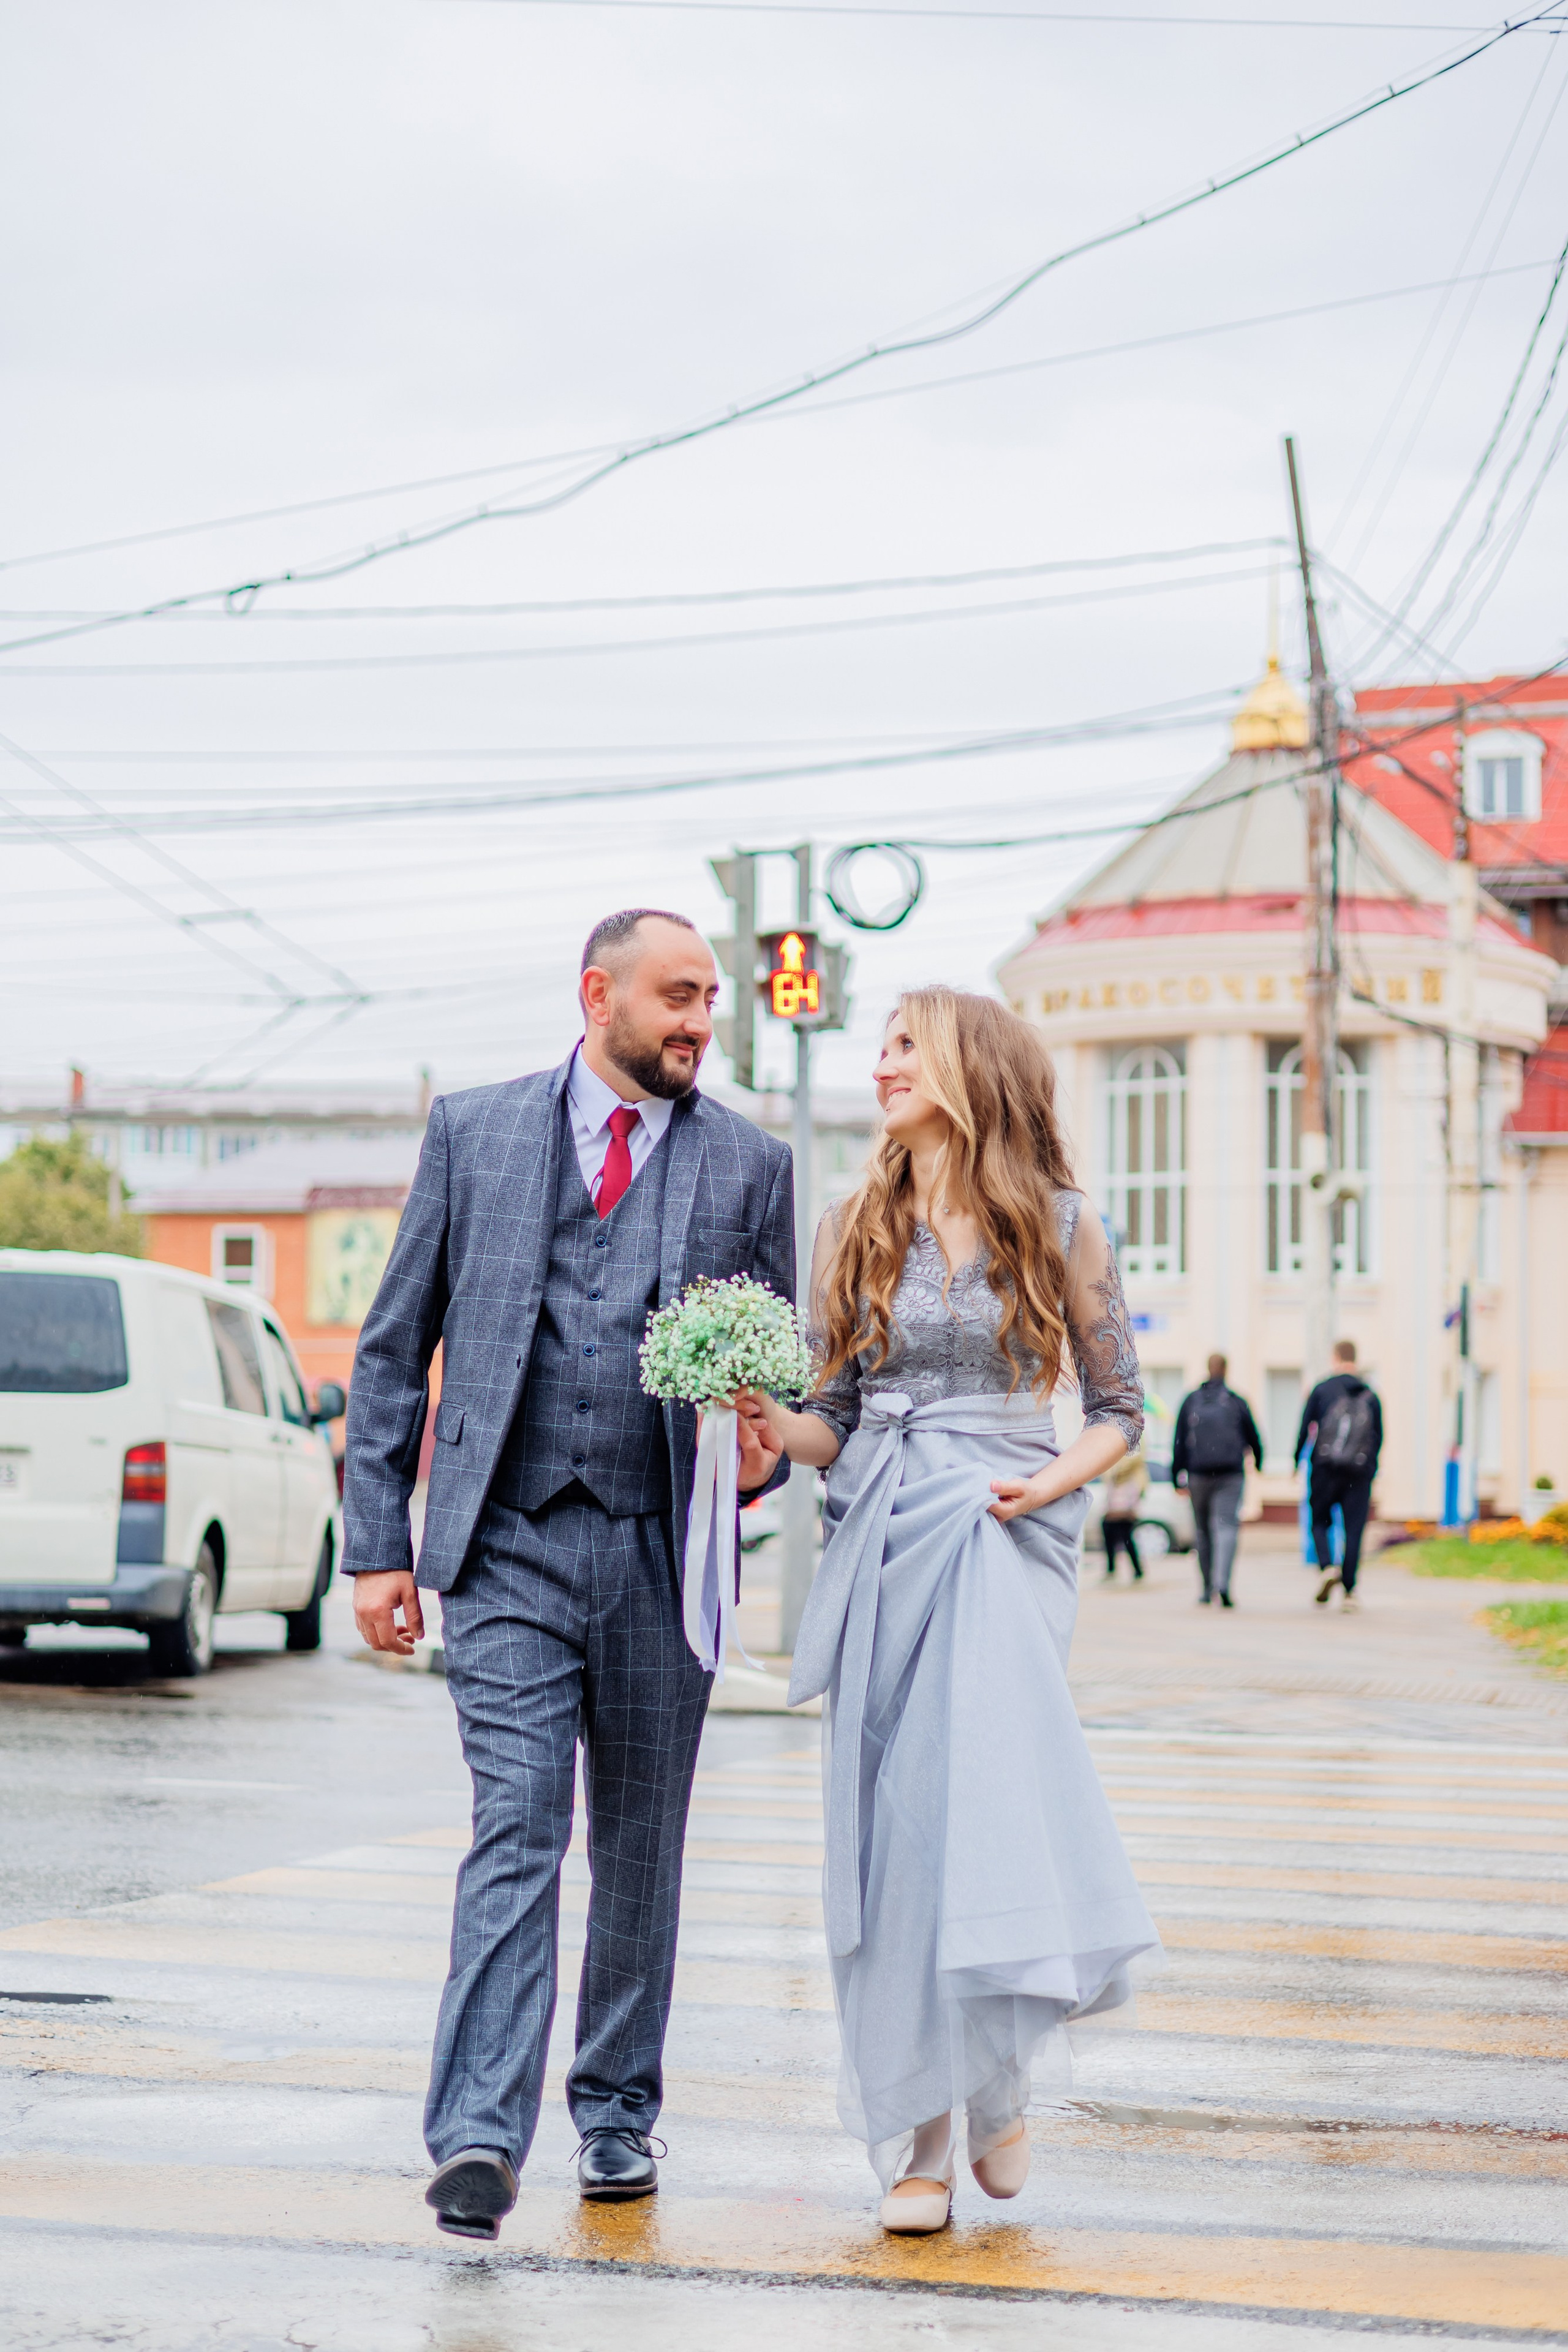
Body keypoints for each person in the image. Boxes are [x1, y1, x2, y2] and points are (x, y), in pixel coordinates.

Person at [343, 910, 793, 2241]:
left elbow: (780, 1372)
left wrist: (759, 1452)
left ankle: (612, 2117)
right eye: (675, 996)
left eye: (709, 998)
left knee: (641, 1854)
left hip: (663, 1555)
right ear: (597, 994)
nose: (698, 1021)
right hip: (506, 1546)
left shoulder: (749, 1165)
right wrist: (377, 1540)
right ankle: (480, 2134)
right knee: (519, 1829)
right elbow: (387, 1350)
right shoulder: (471, 1132)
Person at [737, 989, 1159, 2236]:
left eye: (904, 1047)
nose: (879, 1068)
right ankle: (920, 2126)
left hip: (1002, 1532)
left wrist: (1040, 1485)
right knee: (891, 1831)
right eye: (877, 1048)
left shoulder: (1064, 1224)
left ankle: (995, 2081)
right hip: (880, 1535)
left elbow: (1120, 1410)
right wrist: (772, 1427)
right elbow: (836, 1421)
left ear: (970, 1068)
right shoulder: (848, 1224)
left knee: (978, 1817)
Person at [1296, 1340, 1382, 1611]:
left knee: (1320, 1521)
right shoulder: (1371, 1394)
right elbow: (1379, 1437)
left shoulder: (1322, 1389)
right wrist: (1371, 1469)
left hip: (1325, 1469)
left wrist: (1295, 1460)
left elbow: (1305, 1427)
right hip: (1358, 1472)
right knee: (1354, 1529)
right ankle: (1349, 1590)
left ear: (1336, 1358)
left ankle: (1326, 1568)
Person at [1171, 1354, 1264, 1608]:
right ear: (1226, 1370)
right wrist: (1259, 1461)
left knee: (1202, 1532)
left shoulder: (1191, 1401)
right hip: (1231, 1474)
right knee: (1226, 1527)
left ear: (1208, 1369)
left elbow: (1179, 1440)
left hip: (1198, 1475)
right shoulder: (1236, 1401)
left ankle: (1206, 1588)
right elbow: (1254, 1435)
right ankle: (1223, 1584)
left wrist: (1176, 1476)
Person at [1099, 1445, 1148, 1581]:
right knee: (1113, 1537)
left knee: (1127, 1539)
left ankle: (1136, 1570)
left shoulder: (1133, 1466)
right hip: (1113, 1509)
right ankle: (1114, 1569)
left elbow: (1138, 1489)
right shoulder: (1113, 1468)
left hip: (1126, 1508)